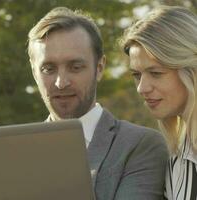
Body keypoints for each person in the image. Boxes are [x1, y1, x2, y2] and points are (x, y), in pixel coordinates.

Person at [27, 7, 168, 200]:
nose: (61, 82)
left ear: (99, 68)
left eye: (75, 67)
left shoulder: (140, 146)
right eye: (48, 69)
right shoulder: (15, 154)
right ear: (35, 73)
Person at [121, 5, 197, 200]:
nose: (141, 88)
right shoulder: (177, 159)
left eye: (156, 73)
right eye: (137, 75)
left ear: (192, 70)